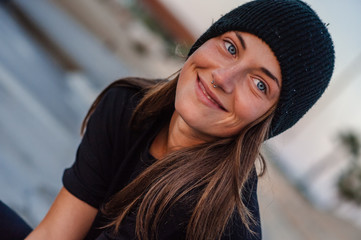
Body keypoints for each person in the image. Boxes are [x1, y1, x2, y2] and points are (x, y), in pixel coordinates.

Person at [23, 0, 334, 239]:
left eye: (259, 84)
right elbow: (54, 233)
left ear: (268, 122)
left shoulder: (211, 215)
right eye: (230, 47)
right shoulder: (127, 106)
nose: (223, 78)